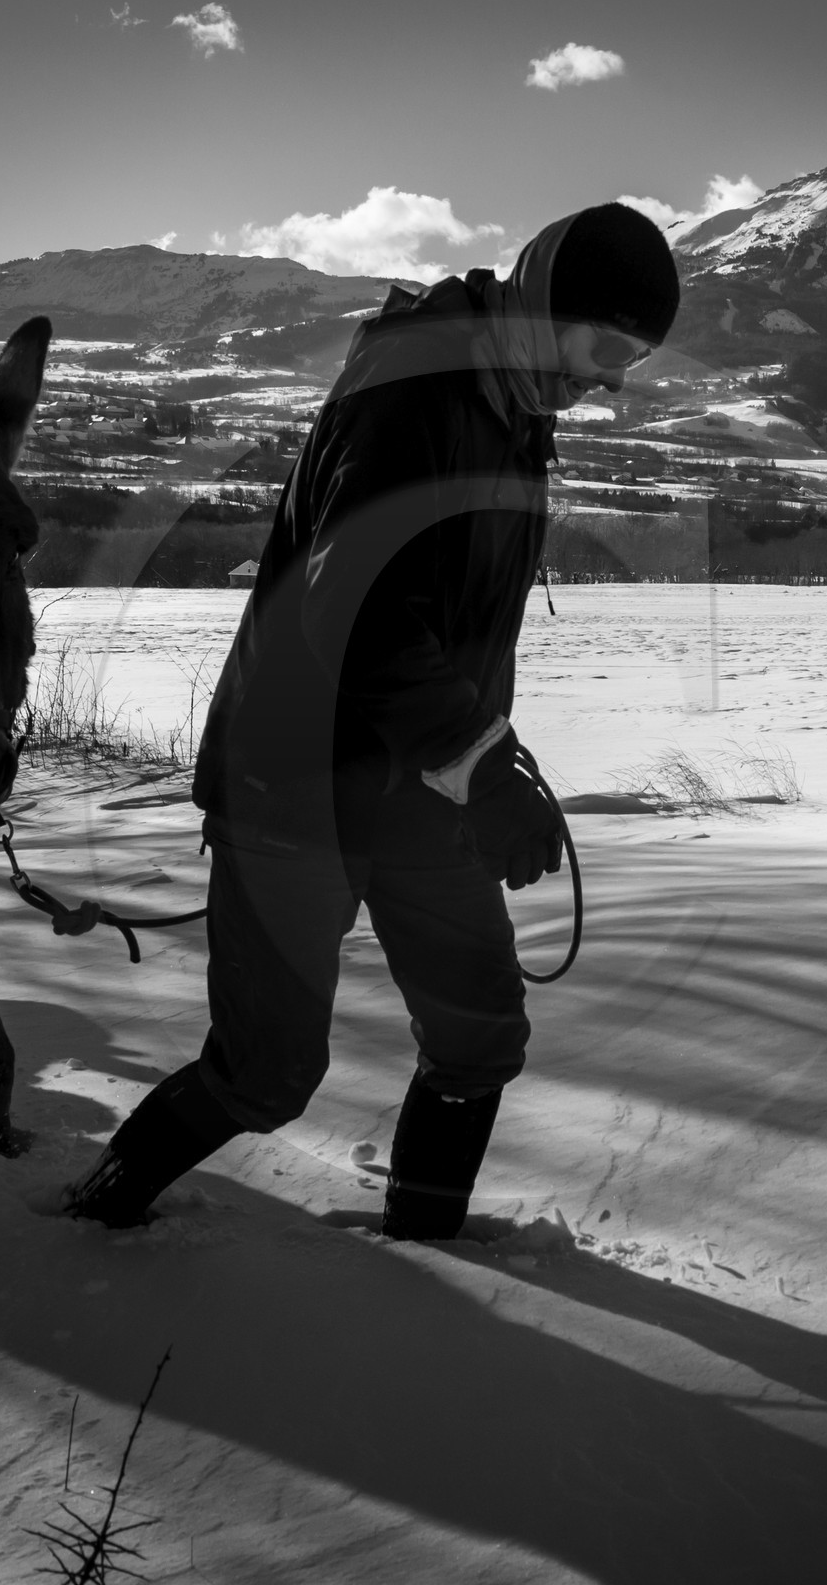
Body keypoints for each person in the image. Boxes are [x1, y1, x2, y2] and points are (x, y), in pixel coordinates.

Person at [63, 203, 681, 1237]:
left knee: (479, 1029)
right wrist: (482, 763)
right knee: (267, 1073)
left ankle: (425, 1263)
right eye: (608, 348)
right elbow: (355, 614)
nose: (612, 380)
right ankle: (92, 1214)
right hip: (297, 782)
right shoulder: (411, 392)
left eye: (632, 360)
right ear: (544, 306)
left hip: (419, 785)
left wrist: (485, 765)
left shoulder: (513, 407)